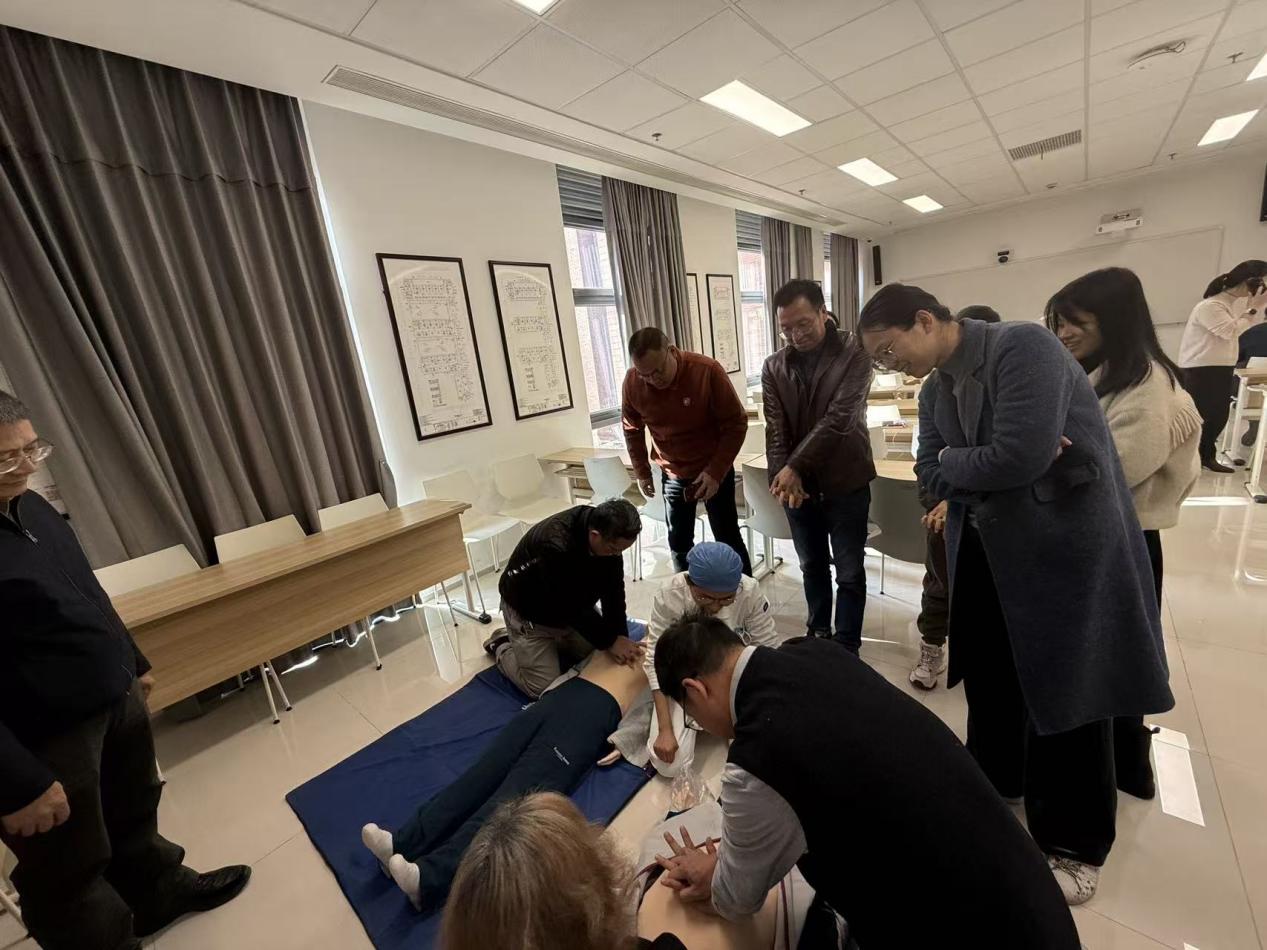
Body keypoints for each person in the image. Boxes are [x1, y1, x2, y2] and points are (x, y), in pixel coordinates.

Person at [857, 283, 1173, 904]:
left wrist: (975, 461)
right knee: (991, 674)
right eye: (879, 362)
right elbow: (933, 473)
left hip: (1060, 552)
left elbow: (1017, 458)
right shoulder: (938, 388)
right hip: (986, 550)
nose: (890, 367)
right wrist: (984, 461)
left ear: (924, 320)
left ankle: (1076, 844)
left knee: (1068, 691)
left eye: (889, 351)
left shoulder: (1022, 347)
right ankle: (999, 783)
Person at [651, 617, 1081, 948]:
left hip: (969, 932)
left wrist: (717, 875)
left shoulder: (757, 761)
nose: (699, 724)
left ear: (696, 689)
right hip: (1028, 894)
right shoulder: (814, 651)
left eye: (691, 714)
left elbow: (736, 900)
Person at [0, 391, 250, 950]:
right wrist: (15, 782)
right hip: (43, 732)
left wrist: (131, 660)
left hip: (112, 694)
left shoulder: (31, 506)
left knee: (135, 811)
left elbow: (85, 592)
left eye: (32, 449)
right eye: (6, 458)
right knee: (69, 866)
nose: (26, 467)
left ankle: (159, 892)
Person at [1046, 267, 1200, 800]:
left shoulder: (1146, 386)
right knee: (1110, 654)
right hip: (1107, 533)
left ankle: (1128, 766)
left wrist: (1047, 455)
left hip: (1126, 541)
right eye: (1059, 323)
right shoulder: (1106, 373)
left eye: (1077, 323)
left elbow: (1115, 468)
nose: (1064, 333)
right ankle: (1120, 762)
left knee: (1121, 656)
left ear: (1114, 321)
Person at [361, 650, 649, 915]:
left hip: (589, 721)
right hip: (558, 700)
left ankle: (429, 879)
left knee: (507, 801)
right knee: (479, 776)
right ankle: (401, 843)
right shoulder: (621, 639)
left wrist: (624, 741)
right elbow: (575, 668)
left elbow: (655, 717)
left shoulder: (661, 666)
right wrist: (547, 697)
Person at [761, 279, 874, 651]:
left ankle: (847, 646)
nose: (795, 335)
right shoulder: (774, 366)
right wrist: (782, 477)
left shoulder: (856, 352)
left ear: (823, 313)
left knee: (850, 571)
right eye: (786, 328)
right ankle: (819, 634)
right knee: (811, 566)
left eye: (803, 324)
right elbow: (775, 427)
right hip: (799, 489)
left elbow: (840, 419)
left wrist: (793, 467)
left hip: (846, 481)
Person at [911, 304, 1000, 689]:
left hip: (996, 516)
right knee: (939, 584)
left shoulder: (1007, 384)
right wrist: (941, 501)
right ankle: (932, 648)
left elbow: (1009, 463)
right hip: (944, 511)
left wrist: (958, 495)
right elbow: (928, 460)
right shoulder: (935, 389)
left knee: (992, 594)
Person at [622, 328, 752, 575]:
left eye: (658, 370)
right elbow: (632, 429)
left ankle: (746, 592)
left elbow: (736, 424)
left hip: (712, 469)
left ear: (672, 351)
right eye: (645, 374)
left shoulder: (706, 371)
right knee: (678, 542)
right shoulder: (632, 382)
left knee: (727, 537)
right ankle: (686, 593)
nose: (653, 379)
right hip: (672, 473)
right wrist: (642, 471)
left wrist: (715, 472)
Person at [484, 499, 643, 698]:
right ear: (595, 535)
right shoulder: (555, 545)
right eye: (613, 549)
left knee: (599, 655)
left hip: (569, 604)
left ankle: (556, 642)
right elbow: (571, 607)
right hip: (529, 609)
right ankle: (502, 644)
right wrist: (610, 641)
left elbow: (614, 591)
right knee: (542, 687)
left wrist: (620, 636)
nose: (617, 554)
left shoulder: (608, 534)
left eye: (621, 551)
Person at [643, 542, 779, 768]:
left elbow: (767, 649)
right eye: (705, 598)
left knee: (757, 756)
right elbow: (653, 660)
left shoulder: (749, 591)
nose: (716, 607)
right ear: (689, 583)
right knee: (669, 765)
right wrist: (665, 729)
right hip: (686, 680)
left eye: (726, 599)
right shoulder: (669, 594)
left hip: (733, 679)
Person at [1178, 259, 1267, 472]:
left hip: (1220, 367)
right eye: (1262, 284)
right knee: (1201, 416)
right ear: (1250, 282)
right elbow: (1229, 331)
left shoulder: (1226, 306)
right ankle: (1190, 460)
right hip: (1201, 368)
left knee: (1217, 416)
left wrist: (1251, 309)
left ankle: (1206, 456)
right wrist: (1253, 308)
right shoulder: (1210, 306)